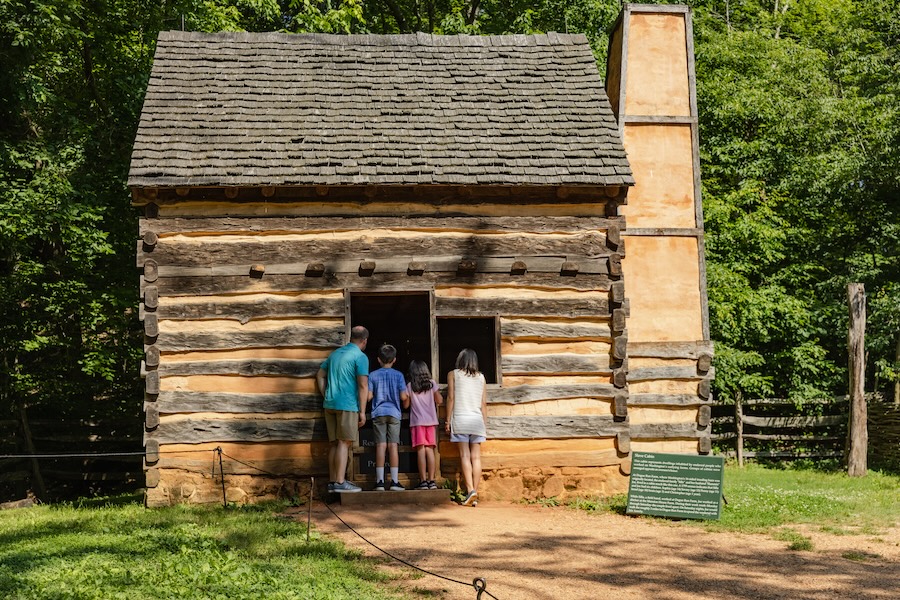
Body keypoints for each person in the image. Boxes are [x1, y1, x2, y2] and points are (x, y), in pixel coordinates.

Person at [316, 325, 369, 493]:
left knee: (334, 443)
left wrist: (326, 394)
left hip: (330, 403)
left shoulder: (335, 354)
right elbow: (363, 385)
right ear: (364, 341)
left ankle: (333, 482)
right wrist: (362, 411)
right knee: (344, 443)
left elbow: (320, 375)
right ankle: (340, 482)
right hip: (347, 404)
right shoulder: (360, 357)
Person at [445, 348, 487, 506]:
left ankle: (471, 491)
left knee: (465, 456)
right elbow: (483, 404)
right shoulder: (481, 377)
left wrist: (447, 420)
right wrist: (484, 424)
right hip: (477, 421)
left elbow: (451, 398)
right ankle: (474, 492)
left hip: (461, 419)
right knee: (476, 457)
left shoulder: (453, 374)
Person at [367, 343, 410, 491]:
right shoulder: (398, 375)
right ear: (394, 360)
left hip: (378, 413)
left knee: (380, 446)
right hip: (394, 413)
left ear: (379, 360)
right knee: (393, 446)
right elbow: (403, 396)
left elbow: (369, 396)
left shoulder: (372, 375)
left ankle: (379, 481)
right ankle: (394, 482)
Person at [406, 360, 443, 490]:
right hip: (431, 421)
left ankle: (423, 481)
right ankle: (431, 481)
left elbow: (406, 404)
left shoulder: (410, 386)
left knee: (420, 450)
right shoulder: (432, 384)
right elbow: (439, 400)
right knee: (430, 450)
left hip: (417, 422)